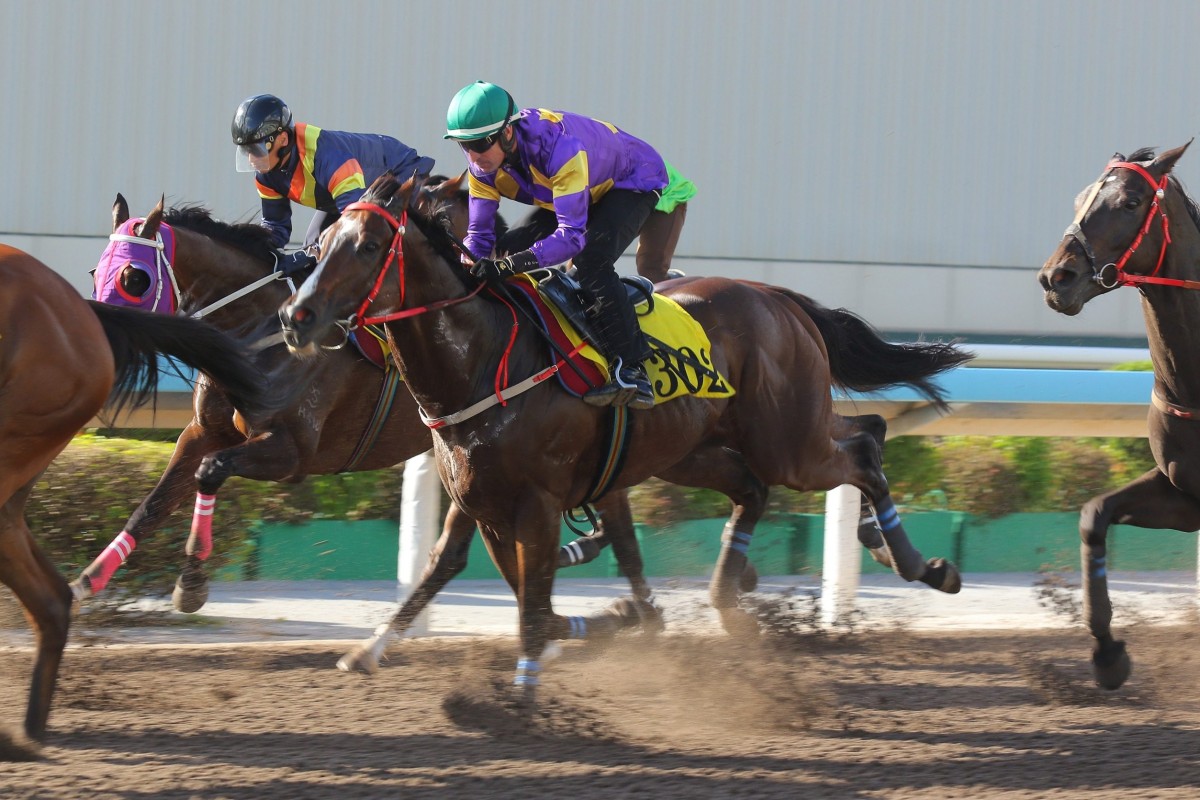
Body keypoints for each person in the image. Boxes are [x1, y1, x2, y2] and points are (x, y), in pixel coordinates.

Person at [444, 81, 695, 410]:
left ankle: (633, 370)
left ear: (507, 132)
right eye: (465, 145)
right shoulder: (482, 167)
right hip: (576, 188)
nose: (474, 155)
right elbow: (479, 235)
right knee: (503, 252)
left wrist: (508, 266)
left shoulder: (560, 147)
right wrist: (459, 273)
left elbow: (571, 237)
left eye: (480, 143)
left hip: (630, 179)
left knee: (591, 260)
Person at [232, 93, 435, 274]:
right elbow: (275, 227)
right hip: (350, 196)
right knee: (310, 248)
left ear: (283, 139)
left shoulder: (328, 158)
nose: (251, 159)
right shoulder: (265, 174)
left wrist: (314, 253)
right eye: (246, 151)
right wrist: (254, 251)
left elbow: (354, 228)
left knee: (347, 249)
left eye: (257, 149)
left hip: (400, 172)